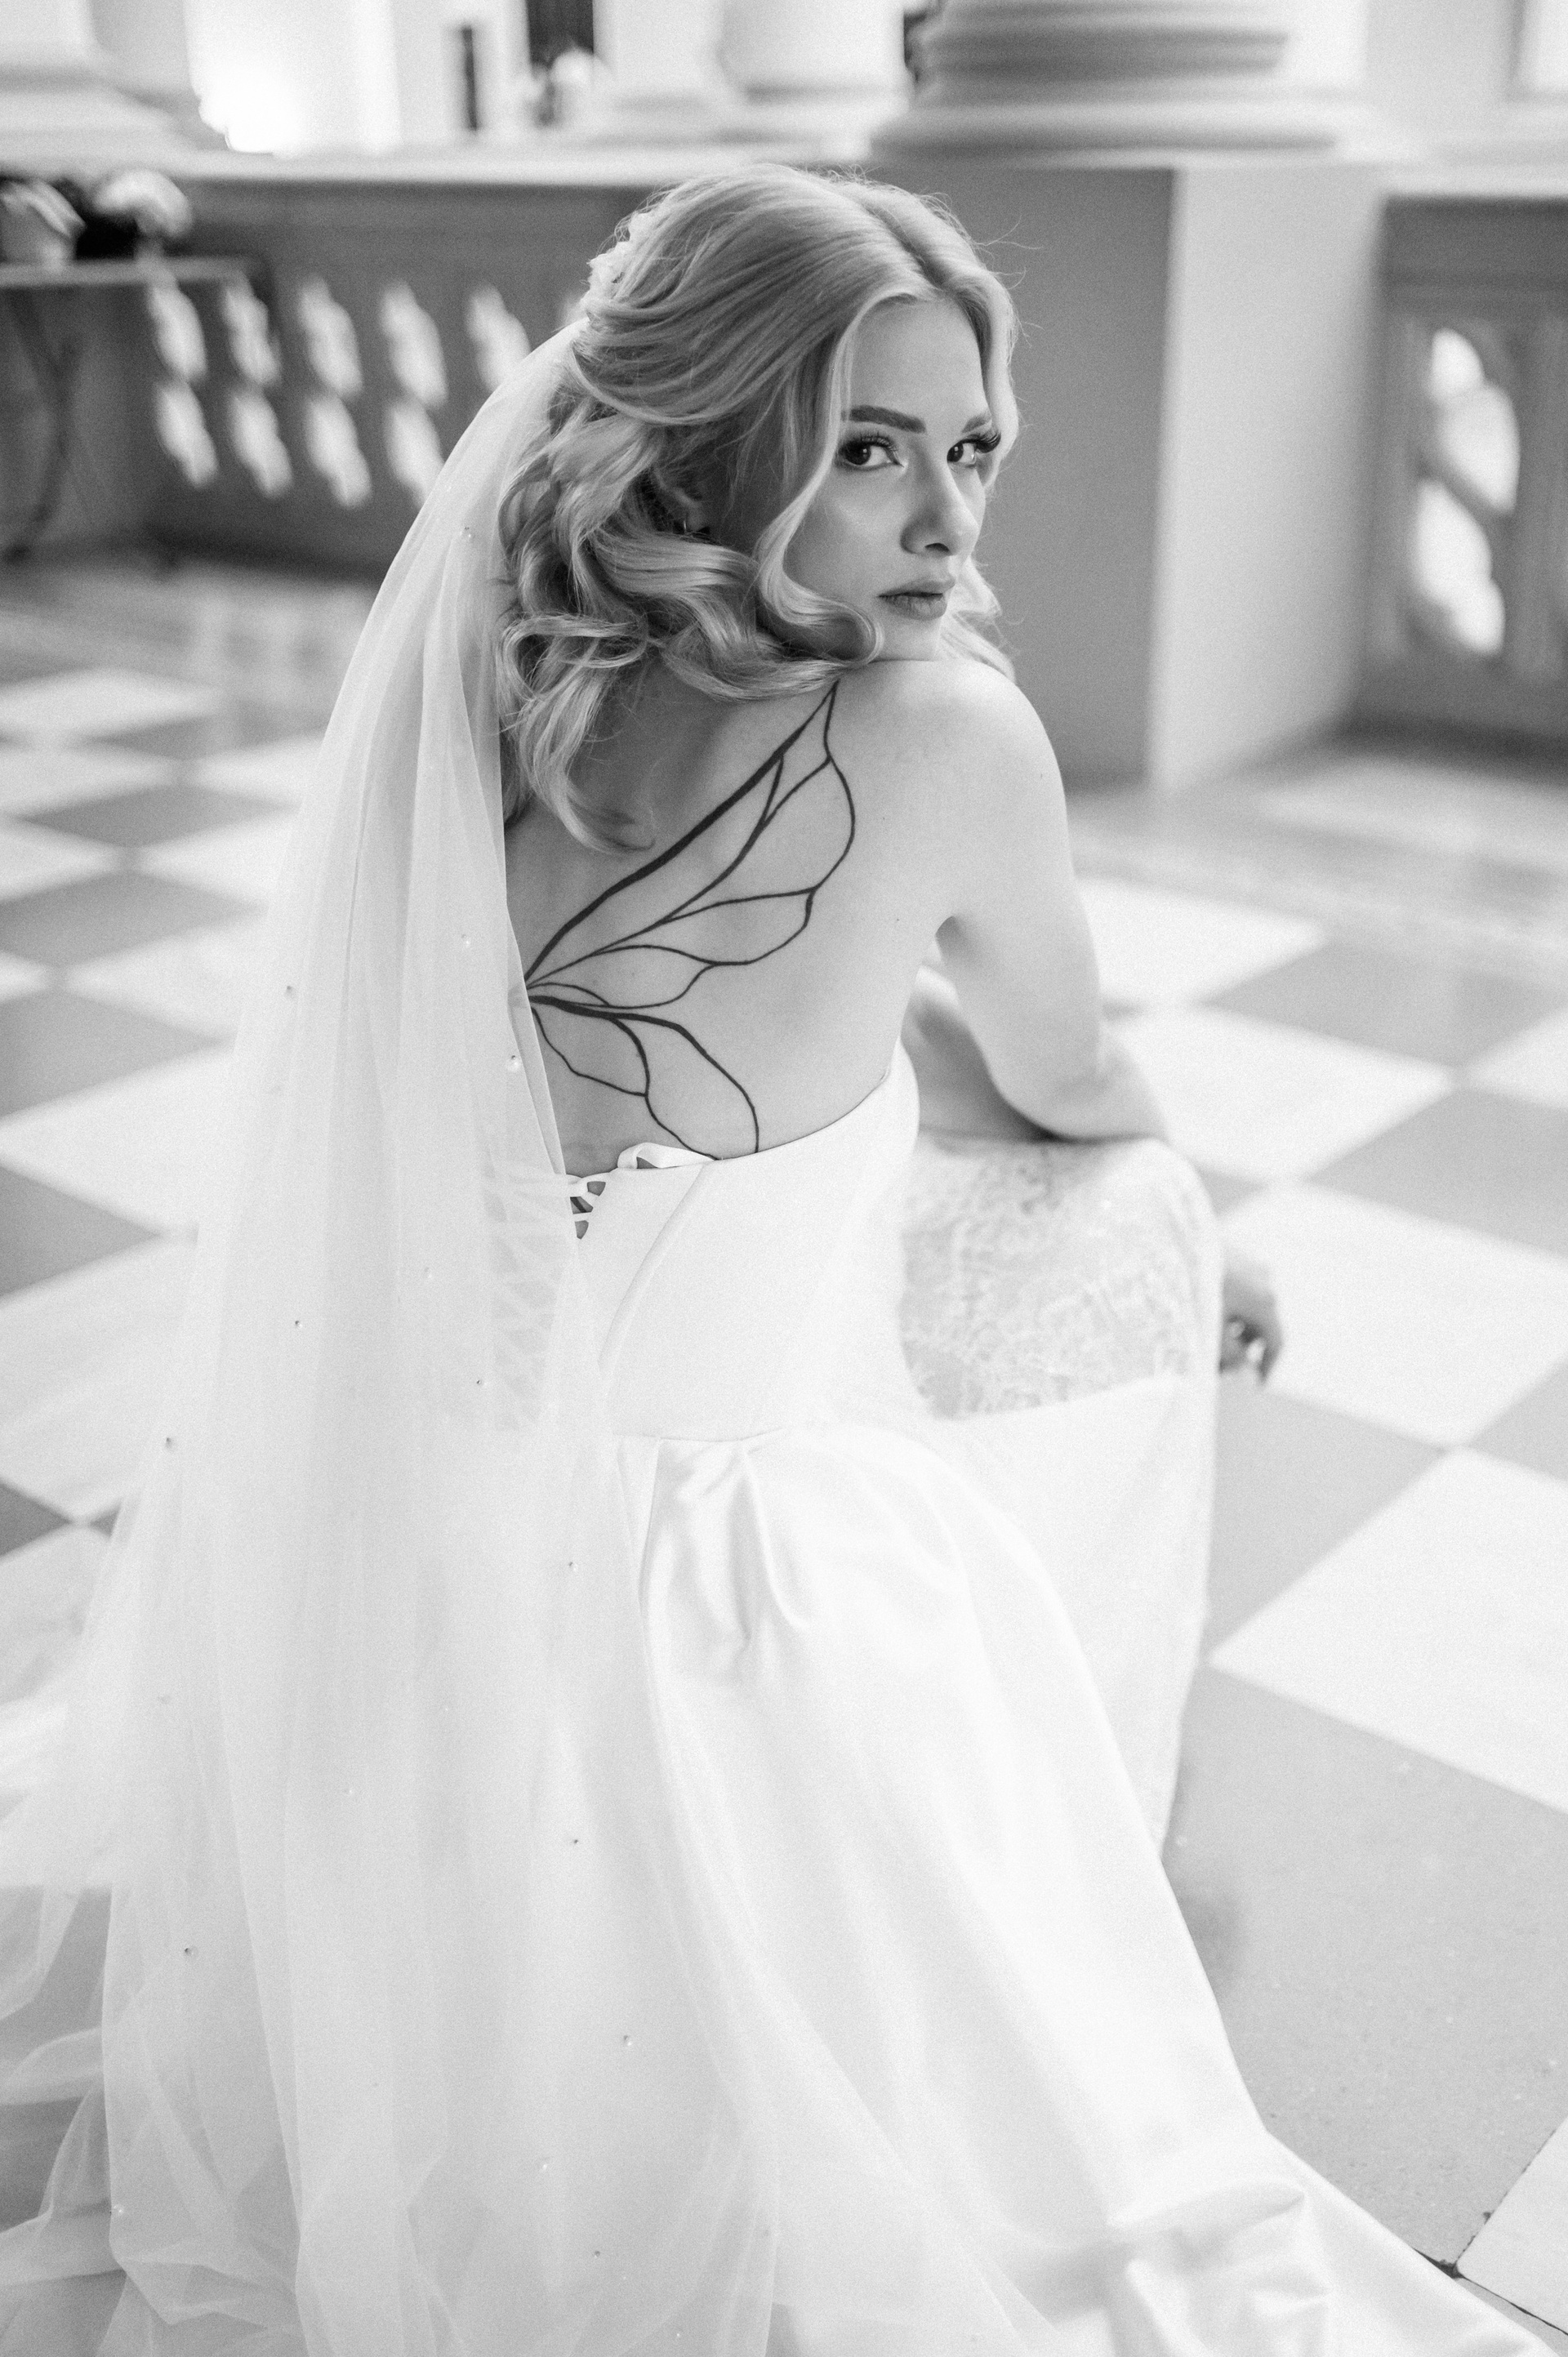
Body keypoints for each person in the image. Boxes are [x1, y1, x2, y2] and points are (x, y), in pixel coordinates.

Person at [0, 164, 1540, 2355]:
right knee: (1119, 1231)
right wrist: (1195, 1203)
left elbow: (681, 1014)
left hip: (421, 1536)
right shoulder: (944, 737)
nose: (948, 522)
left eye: (971, 446)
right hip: (731, 1585)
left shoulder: (499, 697)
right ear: (715, 443)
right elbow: (1070, 1069)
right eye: (870, 449)